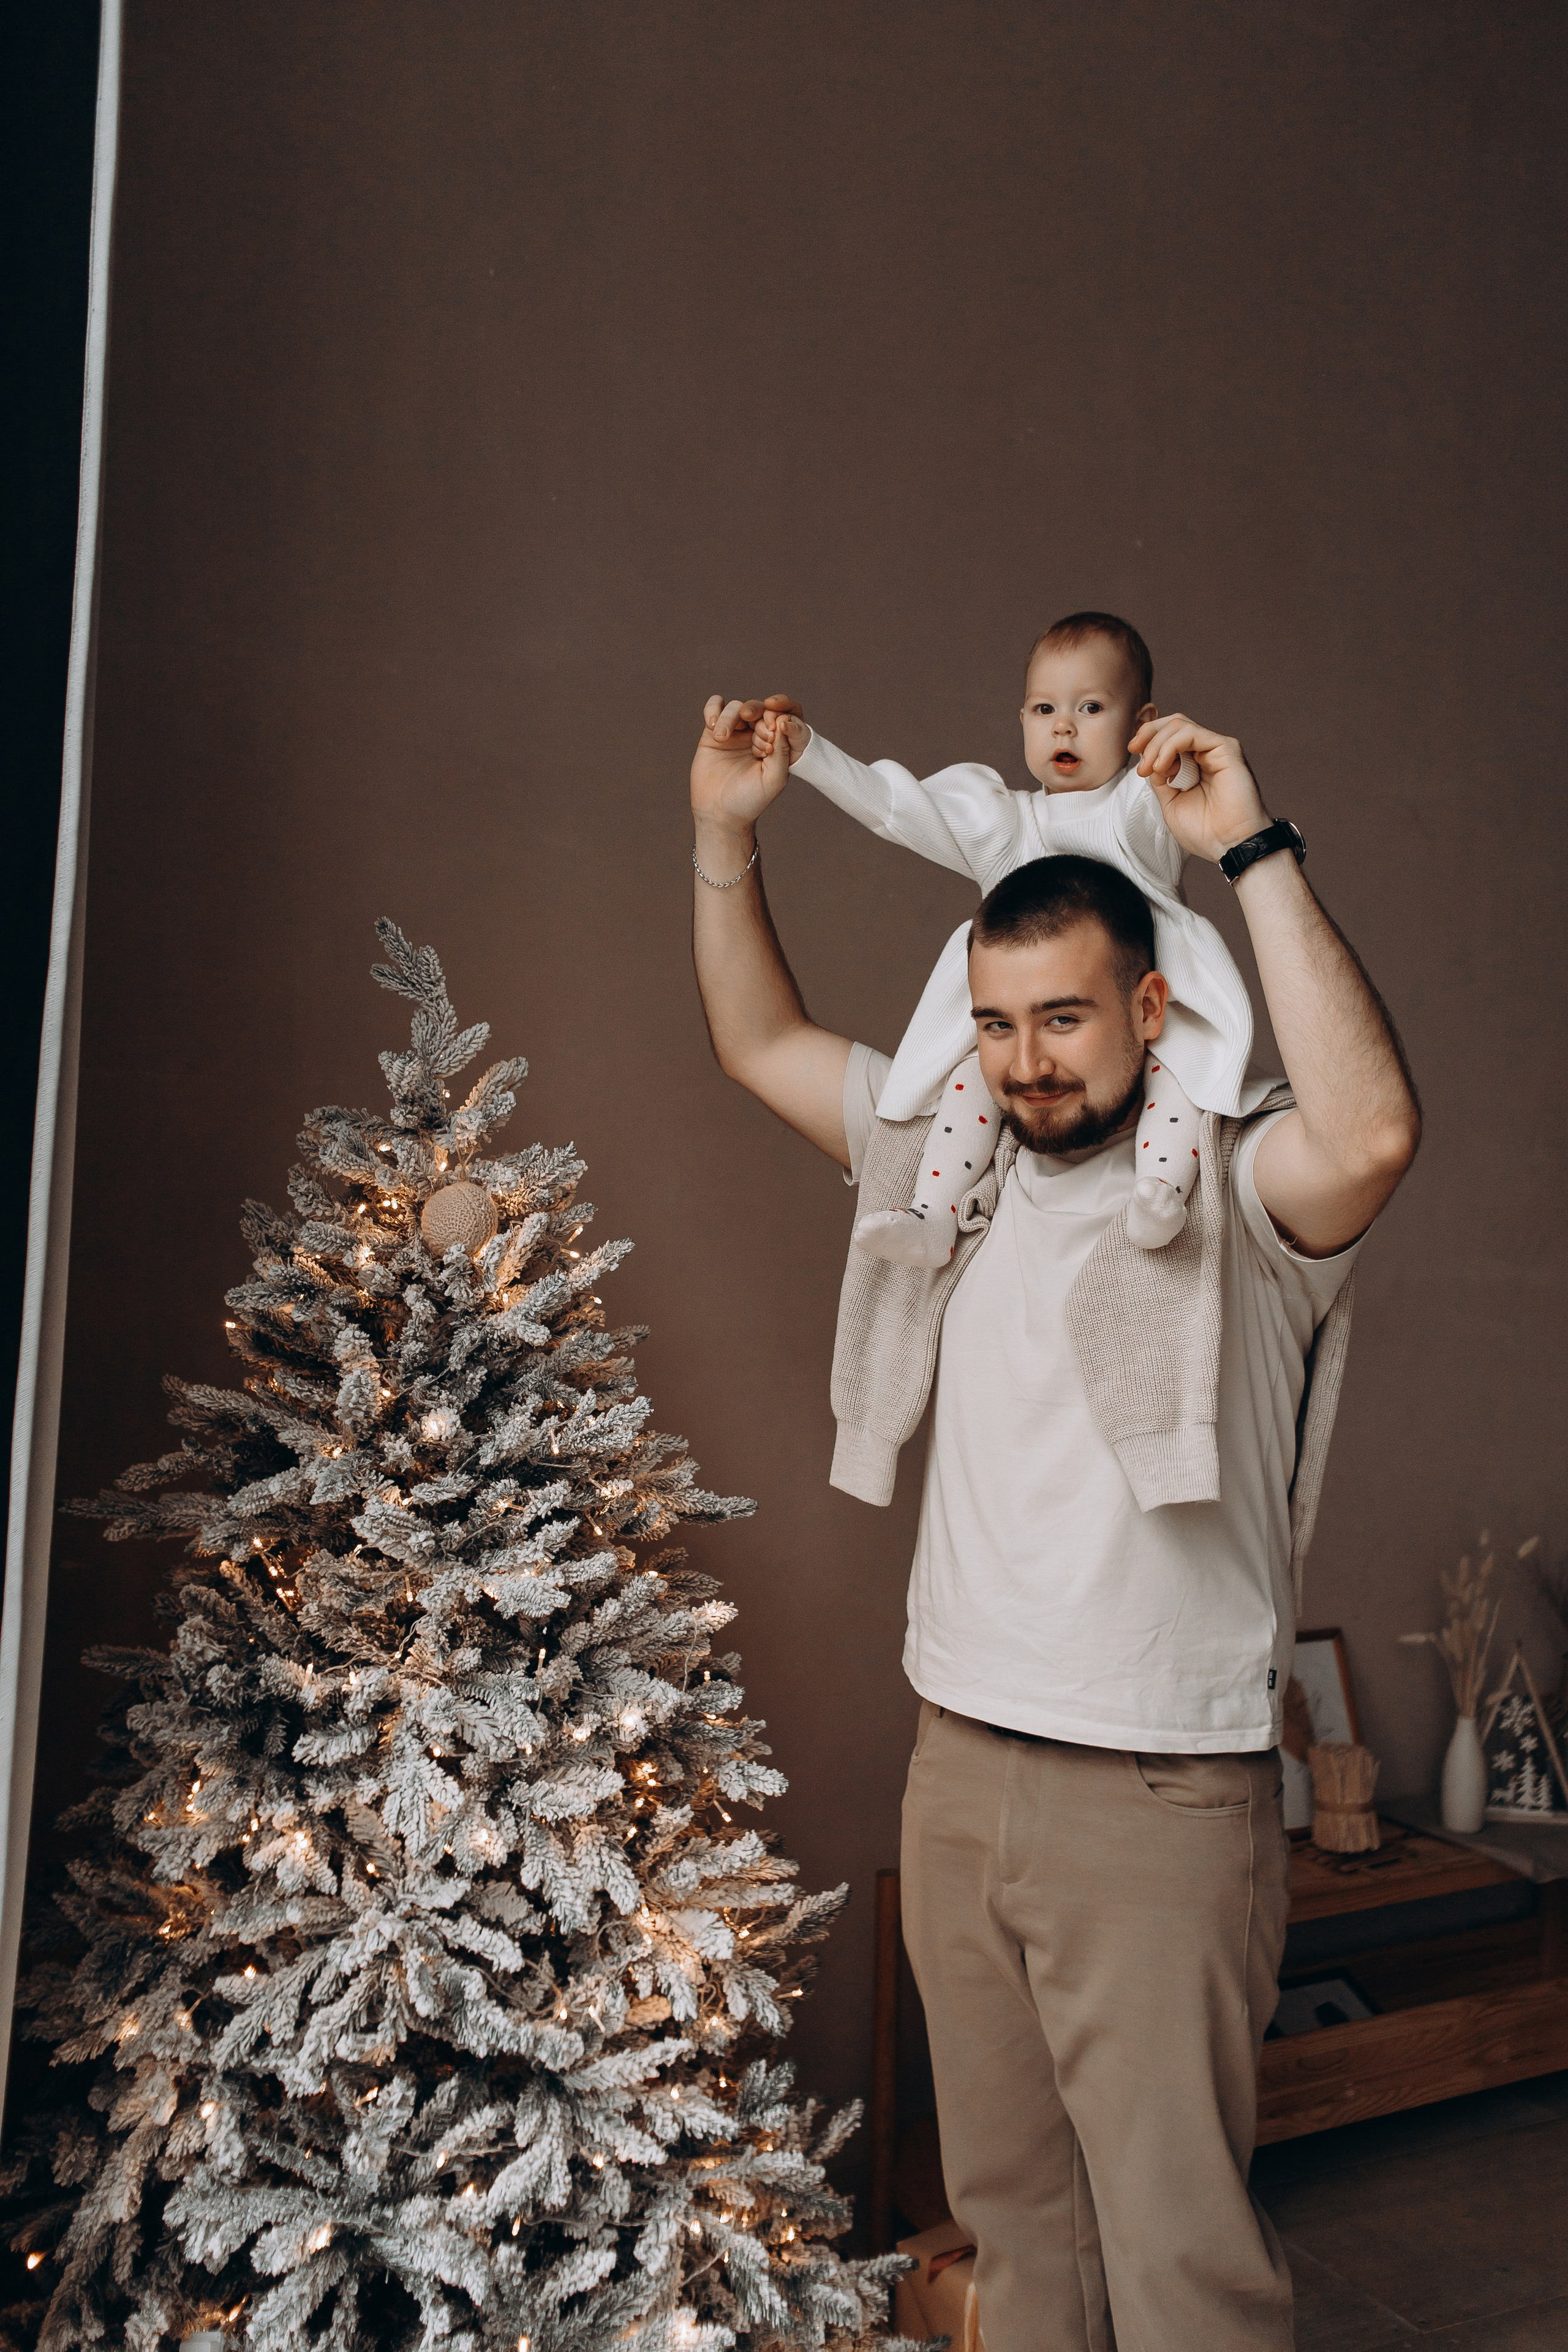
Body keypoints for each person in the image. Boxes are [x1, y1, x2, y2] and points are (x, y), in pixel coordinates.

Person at [687, 685, 1420, 2352]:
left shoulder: (1241, 1197)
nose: (1025, 1062)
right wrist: (727, 836)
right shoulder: (951, 1172)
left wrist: (1253, 847)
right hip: (961, 1769)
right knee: (1020, 2243)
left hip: (1159, 1799)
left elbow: (1375, 1127)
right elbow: (758, 1044)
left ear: (1152, 1009)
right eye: (1000, 1022)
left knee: (1182, 2268)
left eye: (1067, 1022)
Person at [747, 612, 1257, 1263]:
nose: (1064, 726)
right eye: (1044, 709)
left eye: (1092, 707)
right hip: (1037, 1012)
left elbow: (1182, 786)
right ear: (1022, 722)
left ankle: (1158, 1193)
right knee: (969, 1083)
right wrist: (810, 750)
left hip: (1149, 1001)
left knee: (1180, 1078)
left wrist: (1174, 761)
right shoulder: (1005, 823)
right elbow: (895, 806)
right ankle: (932, 1215)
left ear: (1140, 722)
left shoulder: (1139, 808)